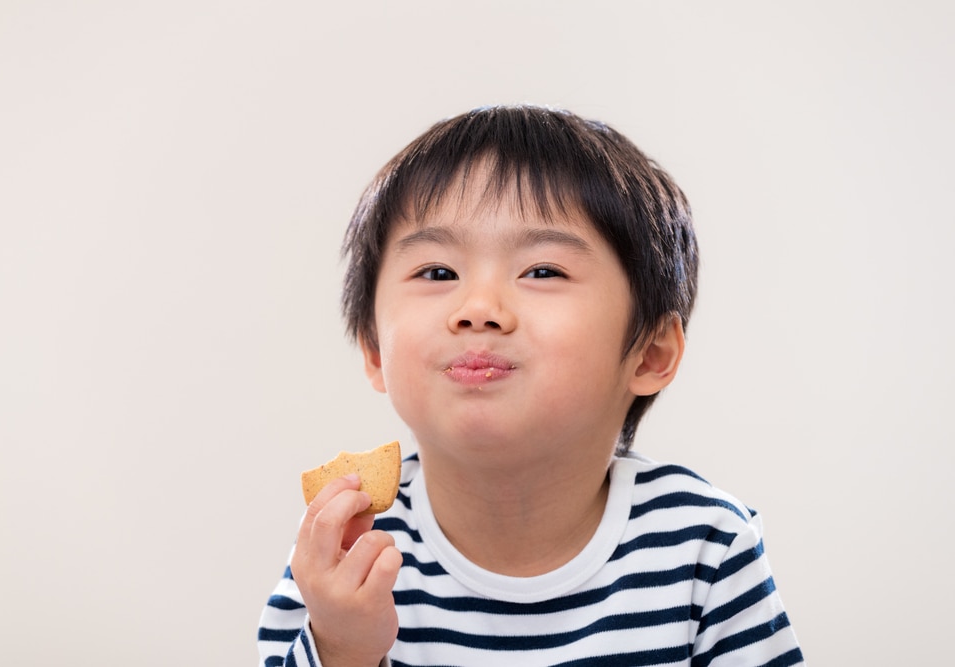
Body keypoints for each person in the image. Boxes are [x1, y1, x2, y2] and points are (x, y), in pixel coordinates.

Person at [258, 105, 805, 667]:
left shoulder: (702, 545)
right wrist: (343, 645)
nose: (478, 309)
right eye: (438, 272)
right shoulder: (349, 551)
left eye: (542, 271)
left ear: (651, 352)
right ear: (375, 347)